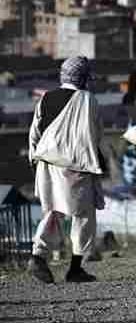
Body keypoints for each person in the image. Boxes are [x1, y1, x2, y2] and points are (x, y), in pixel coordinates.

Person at [28, 56, 105, 284]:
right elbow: (94, 134)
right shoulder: (87, 99)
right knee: (83, 215)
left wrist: (35, 162)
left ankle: (38, 255)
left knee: (52, 212)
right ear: (83, 77)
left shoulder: (46, 98)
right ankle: (75, 268)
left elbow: (34, 132)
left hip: (46, 164)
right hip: (75, 167)